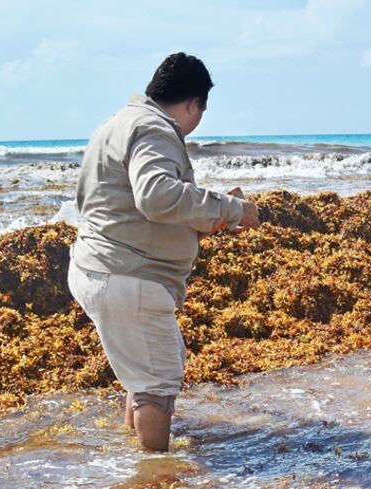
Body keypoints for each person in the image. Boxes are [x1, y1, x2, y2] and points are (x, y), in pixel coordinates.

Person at [69, 53, 260, 452]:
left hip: (100, 267)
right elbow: (156, 197)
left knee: (142, 374)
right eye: (200, 112)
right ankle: (154, 486)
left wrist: (214, 212)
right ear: (193, 104)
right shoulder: (156, 129)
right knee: (156, 384)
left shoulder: (116, 123)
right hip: (128, 276)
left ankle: (128, 456)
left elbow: (126, 206)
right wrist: (232, 208)